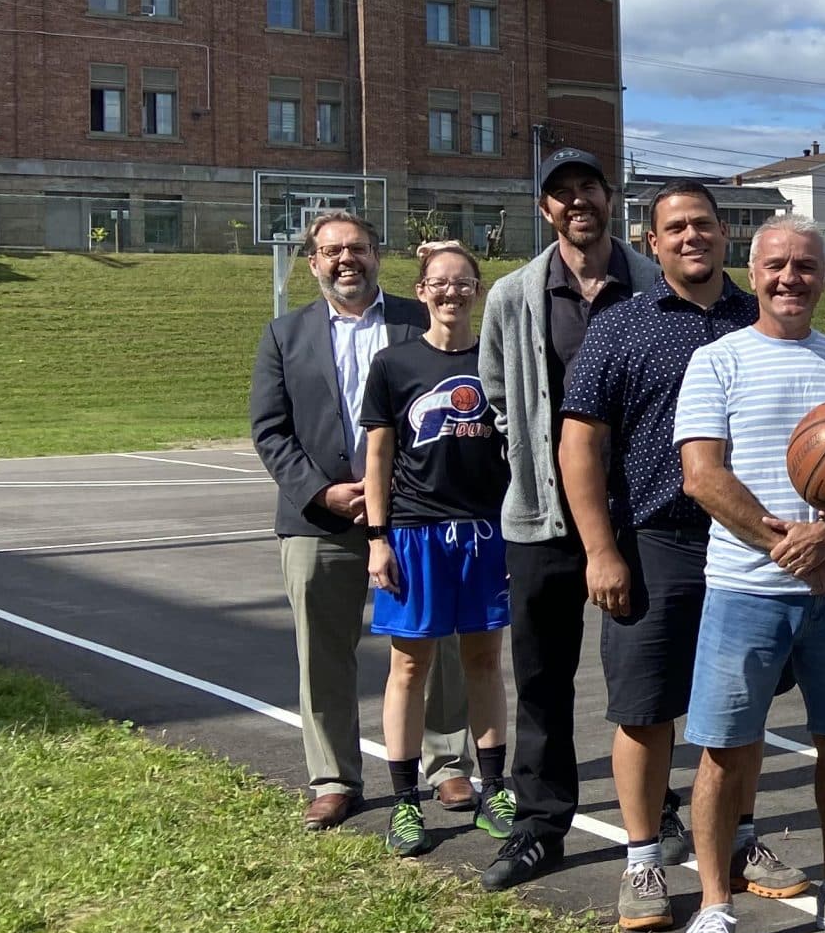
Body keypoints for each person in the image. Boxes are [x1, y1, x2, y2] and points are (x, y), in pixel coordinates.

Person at [672, 217, 825, 933]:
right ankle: (714, 906)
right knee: (725, 751)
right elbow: (702, 475)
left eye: (806, 266)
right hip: (746, 590)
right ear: (752, 273)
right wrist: (785, 544)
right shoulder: (717, 360)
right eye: (778, 265)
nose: (792, 277)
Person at [556, 183, 760, 933]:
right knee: (644, 712)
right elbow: (579, 444)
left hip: (745, 541)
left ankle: (739, 840)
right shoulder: (622, 325)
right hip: (655, 540)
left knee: (742, 706)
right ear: (653, 242)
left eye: (703, 224)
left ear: (725, 234)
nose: (691, 237)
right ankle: (643, 858)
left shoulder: (760, 318)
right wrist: (600, 550)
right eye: (675, 228)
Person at [250, 208, 470, 831]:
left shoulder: (417, 320)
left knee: (437, 642)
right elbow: (271, 430)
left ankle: (447, 763)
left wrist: (399, 492)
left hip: (415, 514)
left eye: (358, 248)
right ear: (313, 263)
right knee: (322, 653)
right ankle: (334, 778)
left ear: (377, 255)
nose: (346, 259)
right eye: (332, 251)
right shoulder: (284, 335)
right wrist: (322, 492)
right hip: (318, 521)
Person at [476, 148, 650, 891]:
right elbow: (495, 395)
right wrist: (531, 462)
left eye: (588, 188)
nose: (577, 201)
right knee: (542, 679)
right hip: (542, 518)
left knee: (645, 678)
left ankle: (657, 809)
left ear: (610, 198)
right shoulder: (513, 294)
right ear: (544, 209)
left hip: (638, 515)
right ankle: (540, 824)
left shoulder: (652, 283)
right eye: (561, 193)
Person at [359, 243, 513, 857]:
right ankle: (404, 802)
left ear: (478, 289)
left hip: (485, 532)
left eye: (463, 282)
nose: (452, 292)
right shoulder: (393, 364)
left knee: (484, 661)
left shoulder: (495, 359)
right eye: (439, 283)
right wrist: (377, 538)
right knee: (408, 666)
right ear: (421, 291)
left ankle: (494, 788)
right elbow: (378, 457)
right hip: (416, 532)